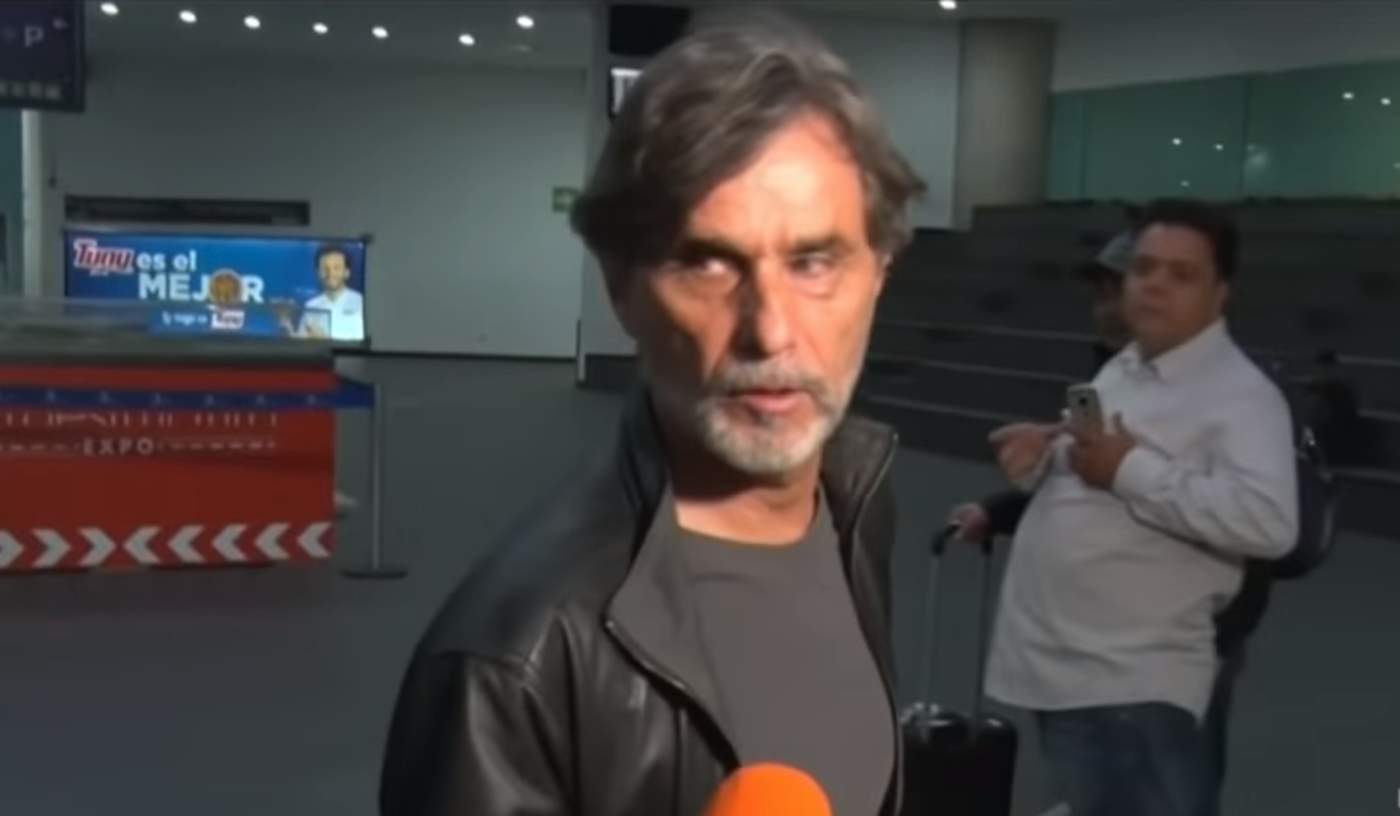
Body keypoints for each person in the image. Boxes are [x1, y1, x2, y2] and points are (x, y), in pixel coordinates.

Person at [379, 17, 924, 816]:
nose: (770, 331)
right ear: (620, 288)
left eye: (813, 262)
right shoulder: (508, 664)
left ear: (879, 271)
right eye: (708, 263)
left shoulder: (857, 501)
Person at [958, 200, 1298, 816]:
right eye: (1143, 269)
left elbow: (1269, 523)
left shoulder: (1243, 397)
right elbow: (1096, 453)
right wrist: (1046, 449)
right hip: (1072, 669)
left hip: (1132, 681)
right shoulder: (1127, 365)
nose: (1154, 285)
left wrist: (1128, 470)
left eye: (1181, 274)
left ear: (1221, 292)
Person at [297, 245, 364, 341]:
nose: (330, 273)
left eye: (336, 268)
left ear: (347, 272)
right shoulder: (310, 306)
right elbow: (301, 341)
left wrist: (325, 340)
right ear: (318, 273)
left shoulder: (360, 303)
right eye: (325, 268)